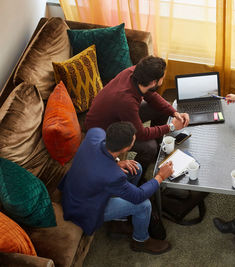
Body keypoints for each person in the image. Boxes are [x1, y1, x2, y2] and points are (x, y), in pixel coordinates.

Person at [59, 121, 174, 254]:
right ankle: (140, 241)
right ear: (125, 148)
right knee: (144, 205)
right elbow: (138, 196)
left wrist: (117, 162)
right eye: (133, 140)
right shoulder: (112, 176)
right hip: (84, 209)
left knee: (136, 168)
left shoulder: (95, 133)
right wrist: (160, 176)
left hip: (83, 187)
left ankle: (119, 221)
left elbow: (99, 158)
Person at [85, 56, 190, 175]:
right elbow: (140, 134)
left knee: (161, 109)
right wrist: (171, 127)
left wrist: (174, 112)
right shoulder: (127, 101)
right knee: (150, 147)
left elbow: (151, 95)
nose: (164, 77)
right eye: (163, 77)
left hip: (118, 114)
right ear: (154, 82)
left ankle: (159, 145)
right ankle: (136, 177)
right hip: (104, 131)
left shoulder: (136, 72)